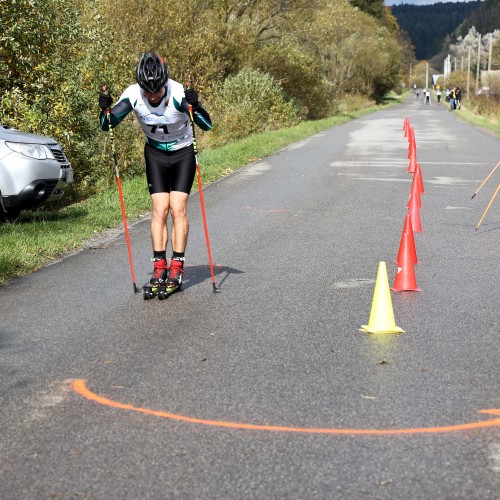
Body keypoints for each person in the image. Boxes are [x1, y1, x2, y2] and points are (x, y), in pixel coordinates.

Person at [98, 52, 212, 294]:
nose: (152, 95)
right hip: (155, 154)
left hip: (183, 154)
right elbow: (106, 125)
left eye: (157, 91)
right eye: (147, 91)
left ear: (165, 83)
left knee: (177, 208)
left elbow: (206, 125)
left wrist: (195, 105)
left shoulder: (178, 93)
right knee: (159, 209)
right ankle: (159, 266)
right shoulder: (132, 94)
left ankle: (177, 267)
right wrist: (105, 109)